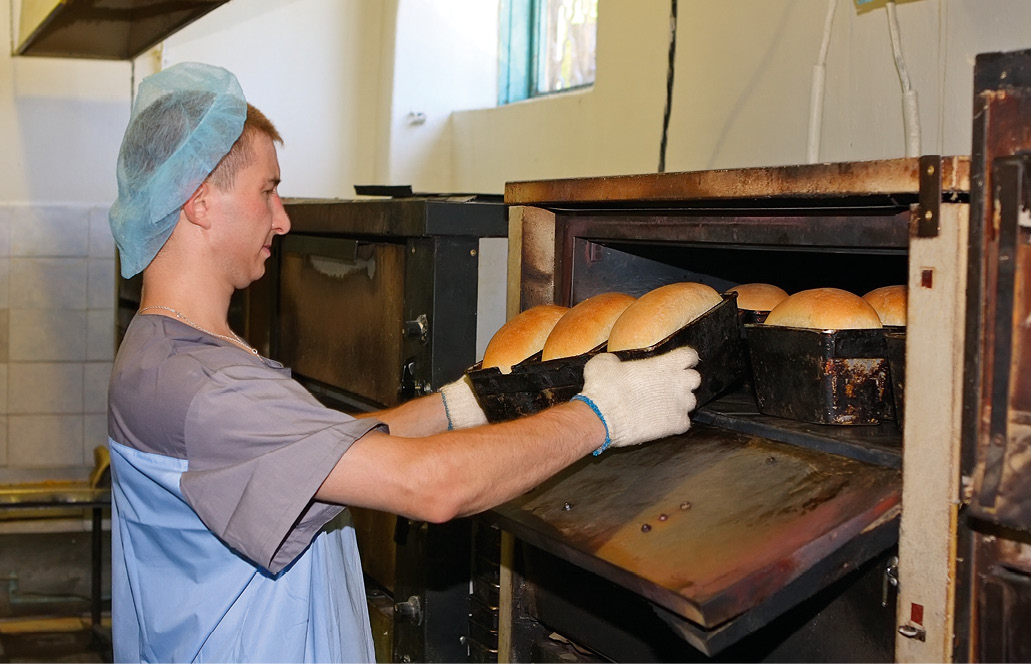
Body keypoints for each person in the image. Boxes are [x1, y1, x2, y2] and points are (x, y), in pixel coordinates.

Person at [106, 62, 701, 663]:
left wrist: (454, 406)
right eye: (267, 190)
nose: (283, 219)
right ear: (200, 201)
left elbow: (321, 453)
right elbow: (432, 487)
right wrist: (603, 415)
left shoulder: (170, 355)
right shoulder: (205, 389)